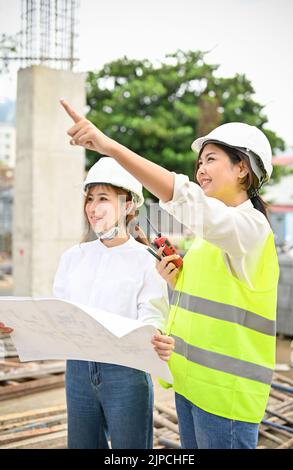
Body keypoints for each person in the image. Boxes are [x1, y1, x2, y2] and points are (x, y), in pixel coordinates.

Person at [59, 99, 279, 449]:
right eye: (199, 162)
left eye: (211, 159)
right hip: (192, 386)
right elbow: (206, 304)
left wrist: (110, 147)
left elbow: (184, 198)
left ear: (242, 168)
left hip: (227, 397)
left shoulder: (250, 228)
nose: (200, 169)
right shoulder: (209, 241)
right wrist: (177, 281)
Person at [1, 157, 170, 450]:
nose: (92, 207)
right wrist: (16, 326)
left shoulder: (145, 260)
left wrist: (154, 336)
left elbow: (152, 316)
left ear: (128, 205)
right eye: (90, 198)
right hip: (78, 372)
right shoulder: (73, 257)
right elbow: (56, 317)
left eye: (103, 198)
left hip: (126, 372)